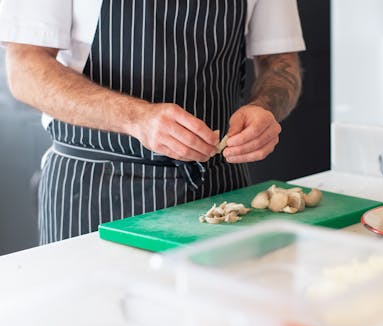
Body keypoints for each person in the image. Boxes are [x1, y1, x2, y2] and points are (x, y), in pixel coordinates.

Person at [0, 0, 305, 244]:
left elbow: (280, 62)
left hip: (218, 190)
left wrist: (265, 108)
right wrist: (136, 118)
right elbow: (25, 69)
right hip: (94, 191)